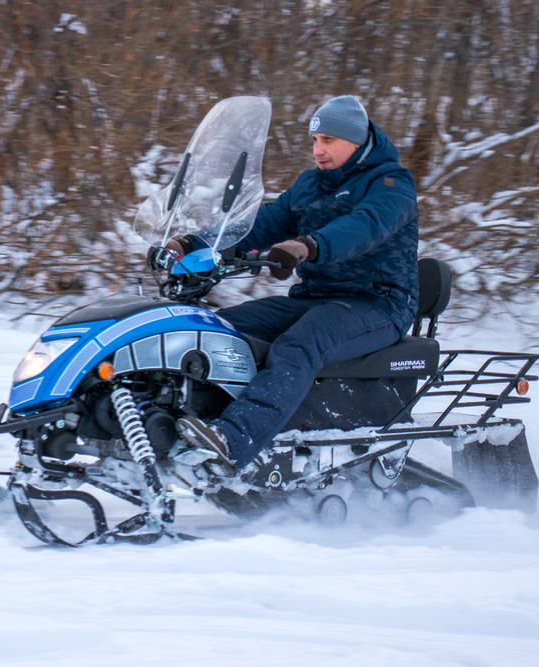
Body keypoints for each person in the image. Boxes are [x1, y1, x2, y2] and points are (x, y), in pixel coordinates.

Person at [167, 95, 419, 471]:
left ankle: (233, 440)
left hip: (377, 305)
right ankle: (177, 421)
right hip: (316, 298)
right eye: (314, 141)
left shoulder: (390, 184)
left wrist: (308, 245)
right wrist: (196, 243)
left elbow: (366, 226)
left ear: (356, 140)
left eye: (328, 140)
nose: (318, 150)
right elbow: (262, 223)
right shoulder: (310, 185)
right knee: (216, 329)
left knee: (301, 342)